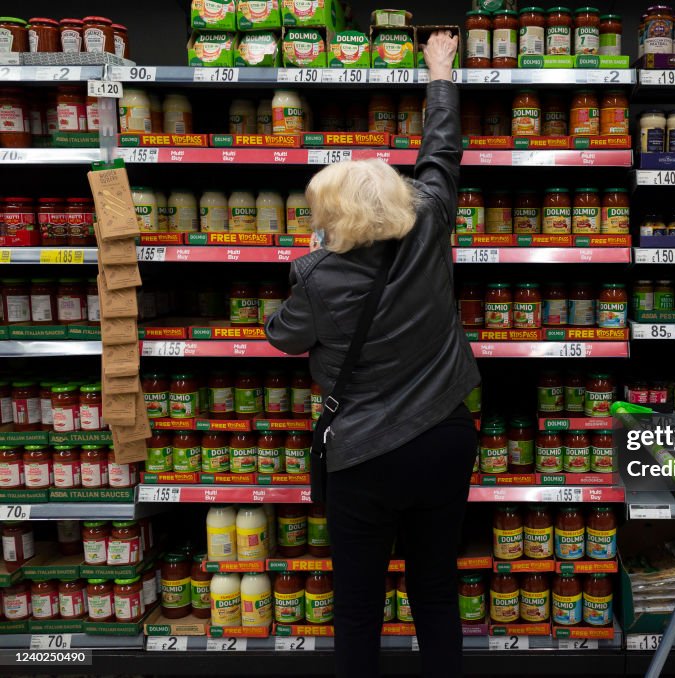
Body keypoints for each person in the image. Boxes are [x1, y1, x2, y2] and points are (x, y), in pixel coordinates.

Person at [265, 32, 478, 678]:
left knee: (357, 608)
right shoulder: (432, 222)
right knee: (436, 594)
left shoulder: (317, 277)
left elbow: (282, 335)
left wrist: (313, 253)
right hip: (444, 436)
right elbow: (440, 149)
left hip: (364, 455)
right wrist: (439, 70)